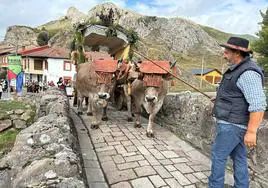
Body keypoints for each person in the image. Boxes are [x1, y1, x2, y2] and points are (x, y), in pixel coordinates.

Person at [209, 37, 267, 187]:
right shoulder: (240, 68)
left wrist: (252, 132)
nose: (224, 54)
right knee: (239, 158)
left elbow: (258, 104)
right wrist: (219, 99)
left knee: (218, 156)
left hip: (233, 125)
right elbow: (237, 95)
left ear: (238, 53)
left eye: (227, 51)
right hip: (234, 123)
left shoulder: (248, 73)